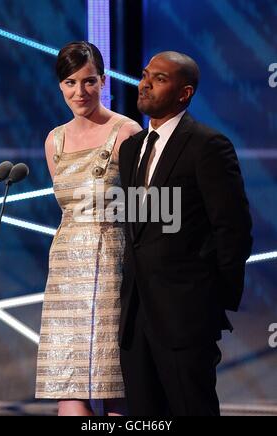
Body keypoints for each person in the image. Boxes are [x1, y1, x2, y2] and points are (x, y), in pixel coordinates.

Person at [118, 51, 253, 416]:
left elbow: (234, 229)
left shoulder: (207, 145)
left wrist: (208, 302)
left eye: (159, 78)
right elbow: (136, 229)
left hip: (185, 315)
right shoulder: (131, 148)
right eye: (145, 74)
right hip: (135, 315)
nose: (145, 83)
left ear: (185, 93)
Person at [35, 41, 141, 416]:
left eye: (89, 81)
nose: (79, 92)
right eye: (69, 83)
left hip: (111, 265)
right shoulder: (54, 140)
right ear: (60, 86)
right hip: (64, 271)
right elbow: (66, 207)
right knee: (69, 384)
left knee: (115, 387)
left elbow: (144, 208)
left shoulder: (126, 132)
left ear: (103, 80)